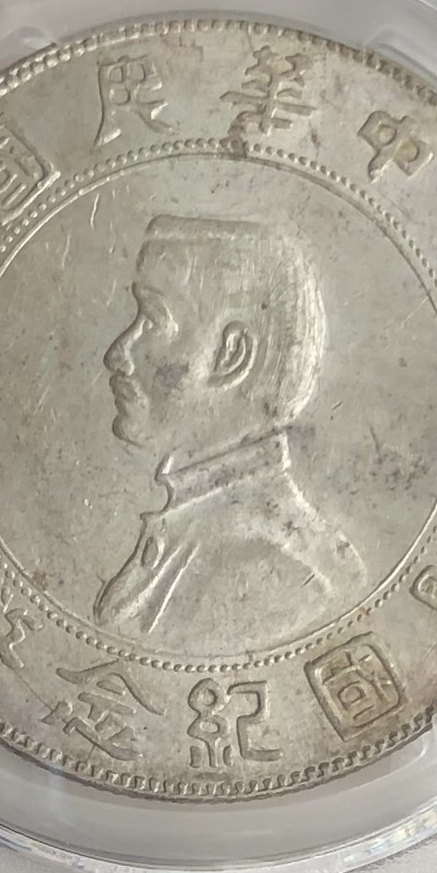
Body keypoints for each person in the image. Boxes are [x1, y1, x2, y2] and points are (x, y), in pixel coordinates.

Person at [95, 214, 367, 648]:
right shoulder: (191, 533)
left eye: (153, 320)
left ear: (232, 355)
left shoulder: (273, 573)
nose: (118, 354)